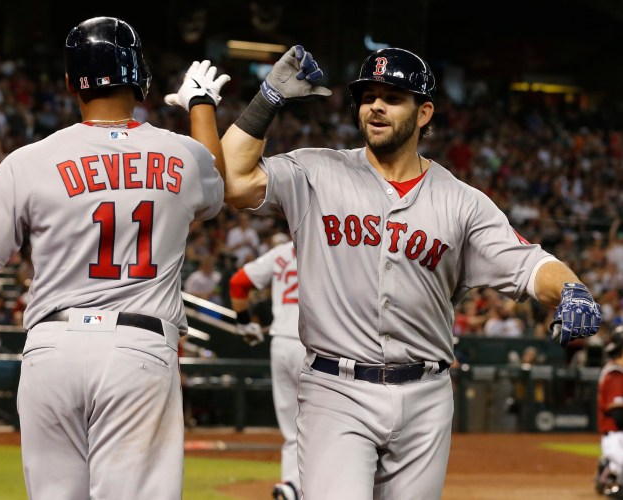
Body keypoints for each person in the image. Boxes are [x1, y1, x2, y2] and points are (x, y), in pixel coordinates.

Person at [219, 45, 602, 499]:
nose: (376, 105)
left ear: (424, 113)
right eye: (368, 96)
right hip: (334, 389)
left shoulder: (462, 202)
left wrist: (572, 289)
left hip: (425, 394)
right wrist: (266, 100)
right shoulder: (315, 170)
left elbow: (532, 263)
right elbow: (232, 181)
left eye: (393, 96)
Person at [0, 16, 230, 500]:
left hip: (51, 352)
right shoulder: (181, 154)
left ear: (71, 83)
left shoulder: (29, 159)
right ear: (141, 80)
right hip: (138, 351)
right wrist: (201, 104)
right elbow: (218, 180)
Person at [229, 231, 304, 500]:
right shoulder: (329, 245)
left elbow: (238, 283)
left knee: (291, 426)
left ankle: (291, 485)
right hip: (315, 343)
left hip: (281, 343)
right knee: (327, 421)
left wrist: (244, 324)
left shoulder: (280, 253)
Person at [595, 326, 623, 498]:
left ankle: (612, 471)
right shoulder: (616, 374)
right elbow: (619, 417)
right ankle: (609, 470)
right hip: (617, 437)